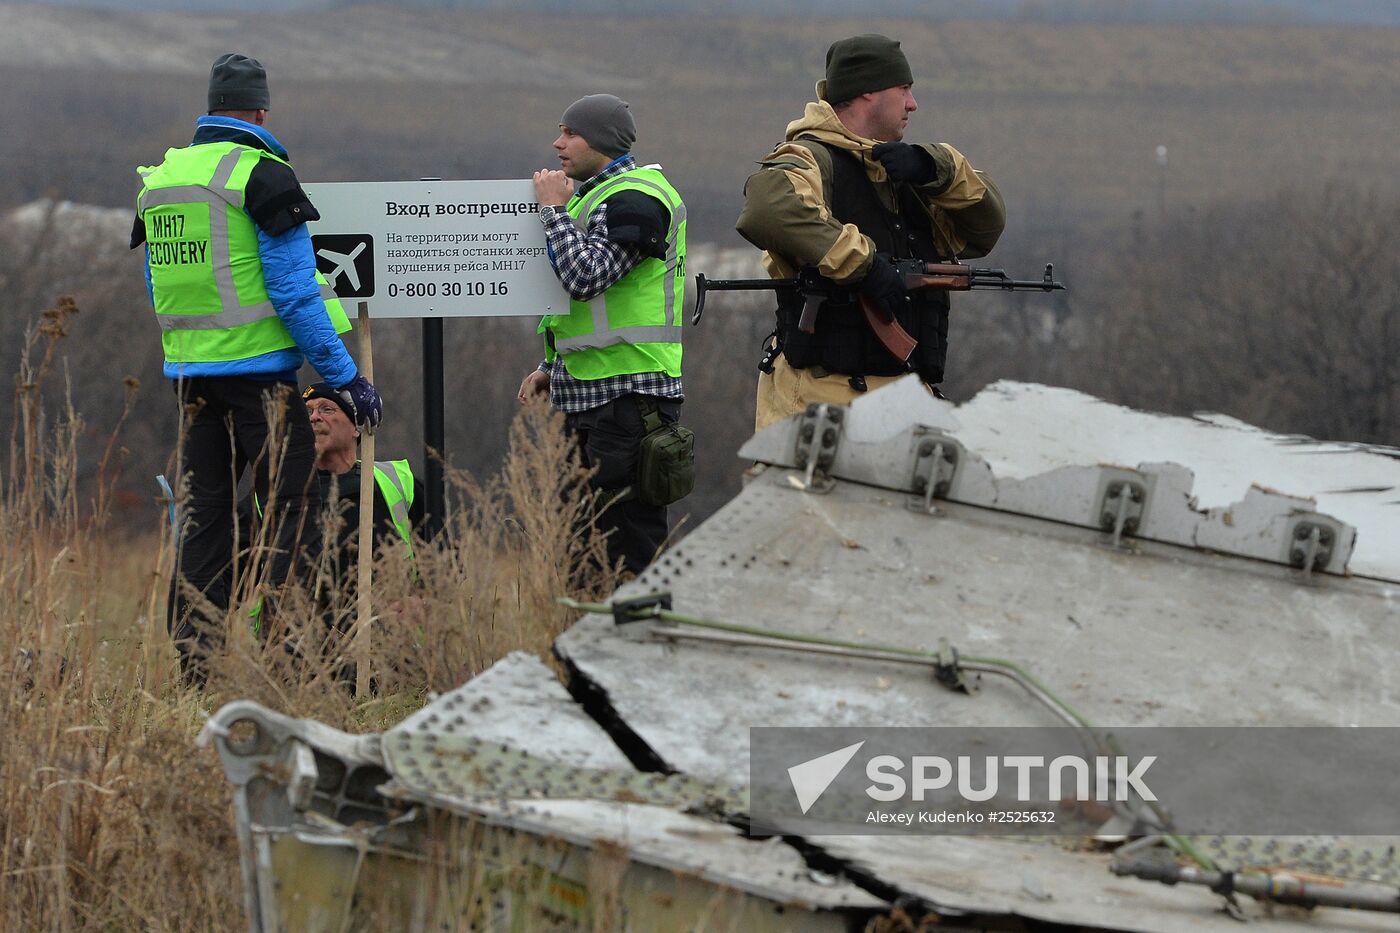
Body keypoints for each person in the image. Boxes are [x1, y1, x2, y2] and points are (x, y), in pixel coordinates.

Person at [133, 52, 383, 683]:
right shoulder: (263, 176)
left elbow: (156, 278)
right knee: (291, 508)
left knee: (206, 515)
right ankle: (291, 656)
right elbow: (297, 295)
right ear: (261, 110)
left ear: (211, 107)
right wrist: (346, 377)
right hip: (261, 383)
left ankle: (197, 665)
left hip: (190, 378)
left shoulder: (161, 179)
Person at [735, 34, 1006, 431]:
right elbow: (768, 207)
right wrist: (864, 265)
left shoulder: (905, 175)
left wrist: (937, 169)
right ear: (867, 92)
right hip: (820, 402)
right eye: (904, 89)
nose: (913, 104)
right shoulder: (811, 158)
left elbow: (986, 228)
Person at [518, 94, 688, 577]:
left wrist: (552, 211)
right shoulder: (595, 194)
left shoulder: (636, 197)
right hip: (592, 396)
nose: (558, 143)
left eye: (570, 133)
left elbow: (586, 278)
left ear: (603, 141)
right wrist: (552, 368)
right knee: (582, 550)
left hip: (630, 396)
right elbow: (583, 310)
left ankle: (637, 646)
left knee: (627, 549)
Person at [302, 383, 426, 577]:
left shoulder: (397, 482)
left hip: (386, 605)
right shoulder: (280, 491)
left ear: (357, 428)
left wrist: (422, 600)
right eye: (307, 411)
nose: (314, 417)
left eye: (326, 409)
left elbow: (443, 554)